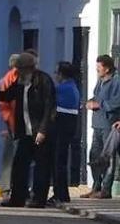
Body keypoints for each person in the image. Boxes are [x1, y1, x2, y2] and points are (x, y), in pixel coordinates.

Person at [0, 52, 56, 207]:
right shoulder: (20, 82)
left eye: (20, 69)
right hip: (24, 131)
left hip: (39, 131)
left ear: (29, 68)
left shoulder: (43, 80)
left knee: (41, 166)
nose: (17, 72)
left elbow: (49, 107)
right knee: (20, 165)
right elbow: (7, 96)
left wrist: (43, 130)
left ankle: (38, 199)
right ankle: (17, 198)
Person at [84, 54, 120, 199]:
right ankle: (96, 186)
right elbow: (96, 97)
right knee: (94, 155)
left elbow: (116, 102)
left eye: (99, 68)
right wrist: (90, 102)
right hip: (97, 124)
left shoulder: (116, 82)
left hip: (109, 124)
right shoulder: (100, 81)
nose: (97, 70)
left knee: (108, 156)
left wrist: (100, 105)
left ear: (107, 69)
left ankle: (105, 189)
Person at [50, 61, 81, 204]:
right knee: (60, 161)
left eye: (57, 73)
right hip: (69, 126)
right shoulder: (73, 87)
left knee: (58, 161)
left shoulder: (63, 89)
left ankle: (60, 194)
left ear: (62, 74)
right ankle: (61, 194)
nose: (55, 75)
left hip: (62, 126)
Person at [0, 54, 20, 201]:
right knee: (8, 159)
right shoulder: (4, 82)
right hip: (9, 126)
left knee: (19, 159)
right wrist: (2, 127)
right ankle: (5, 189)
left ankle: (17, 188)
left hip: (20, 126)